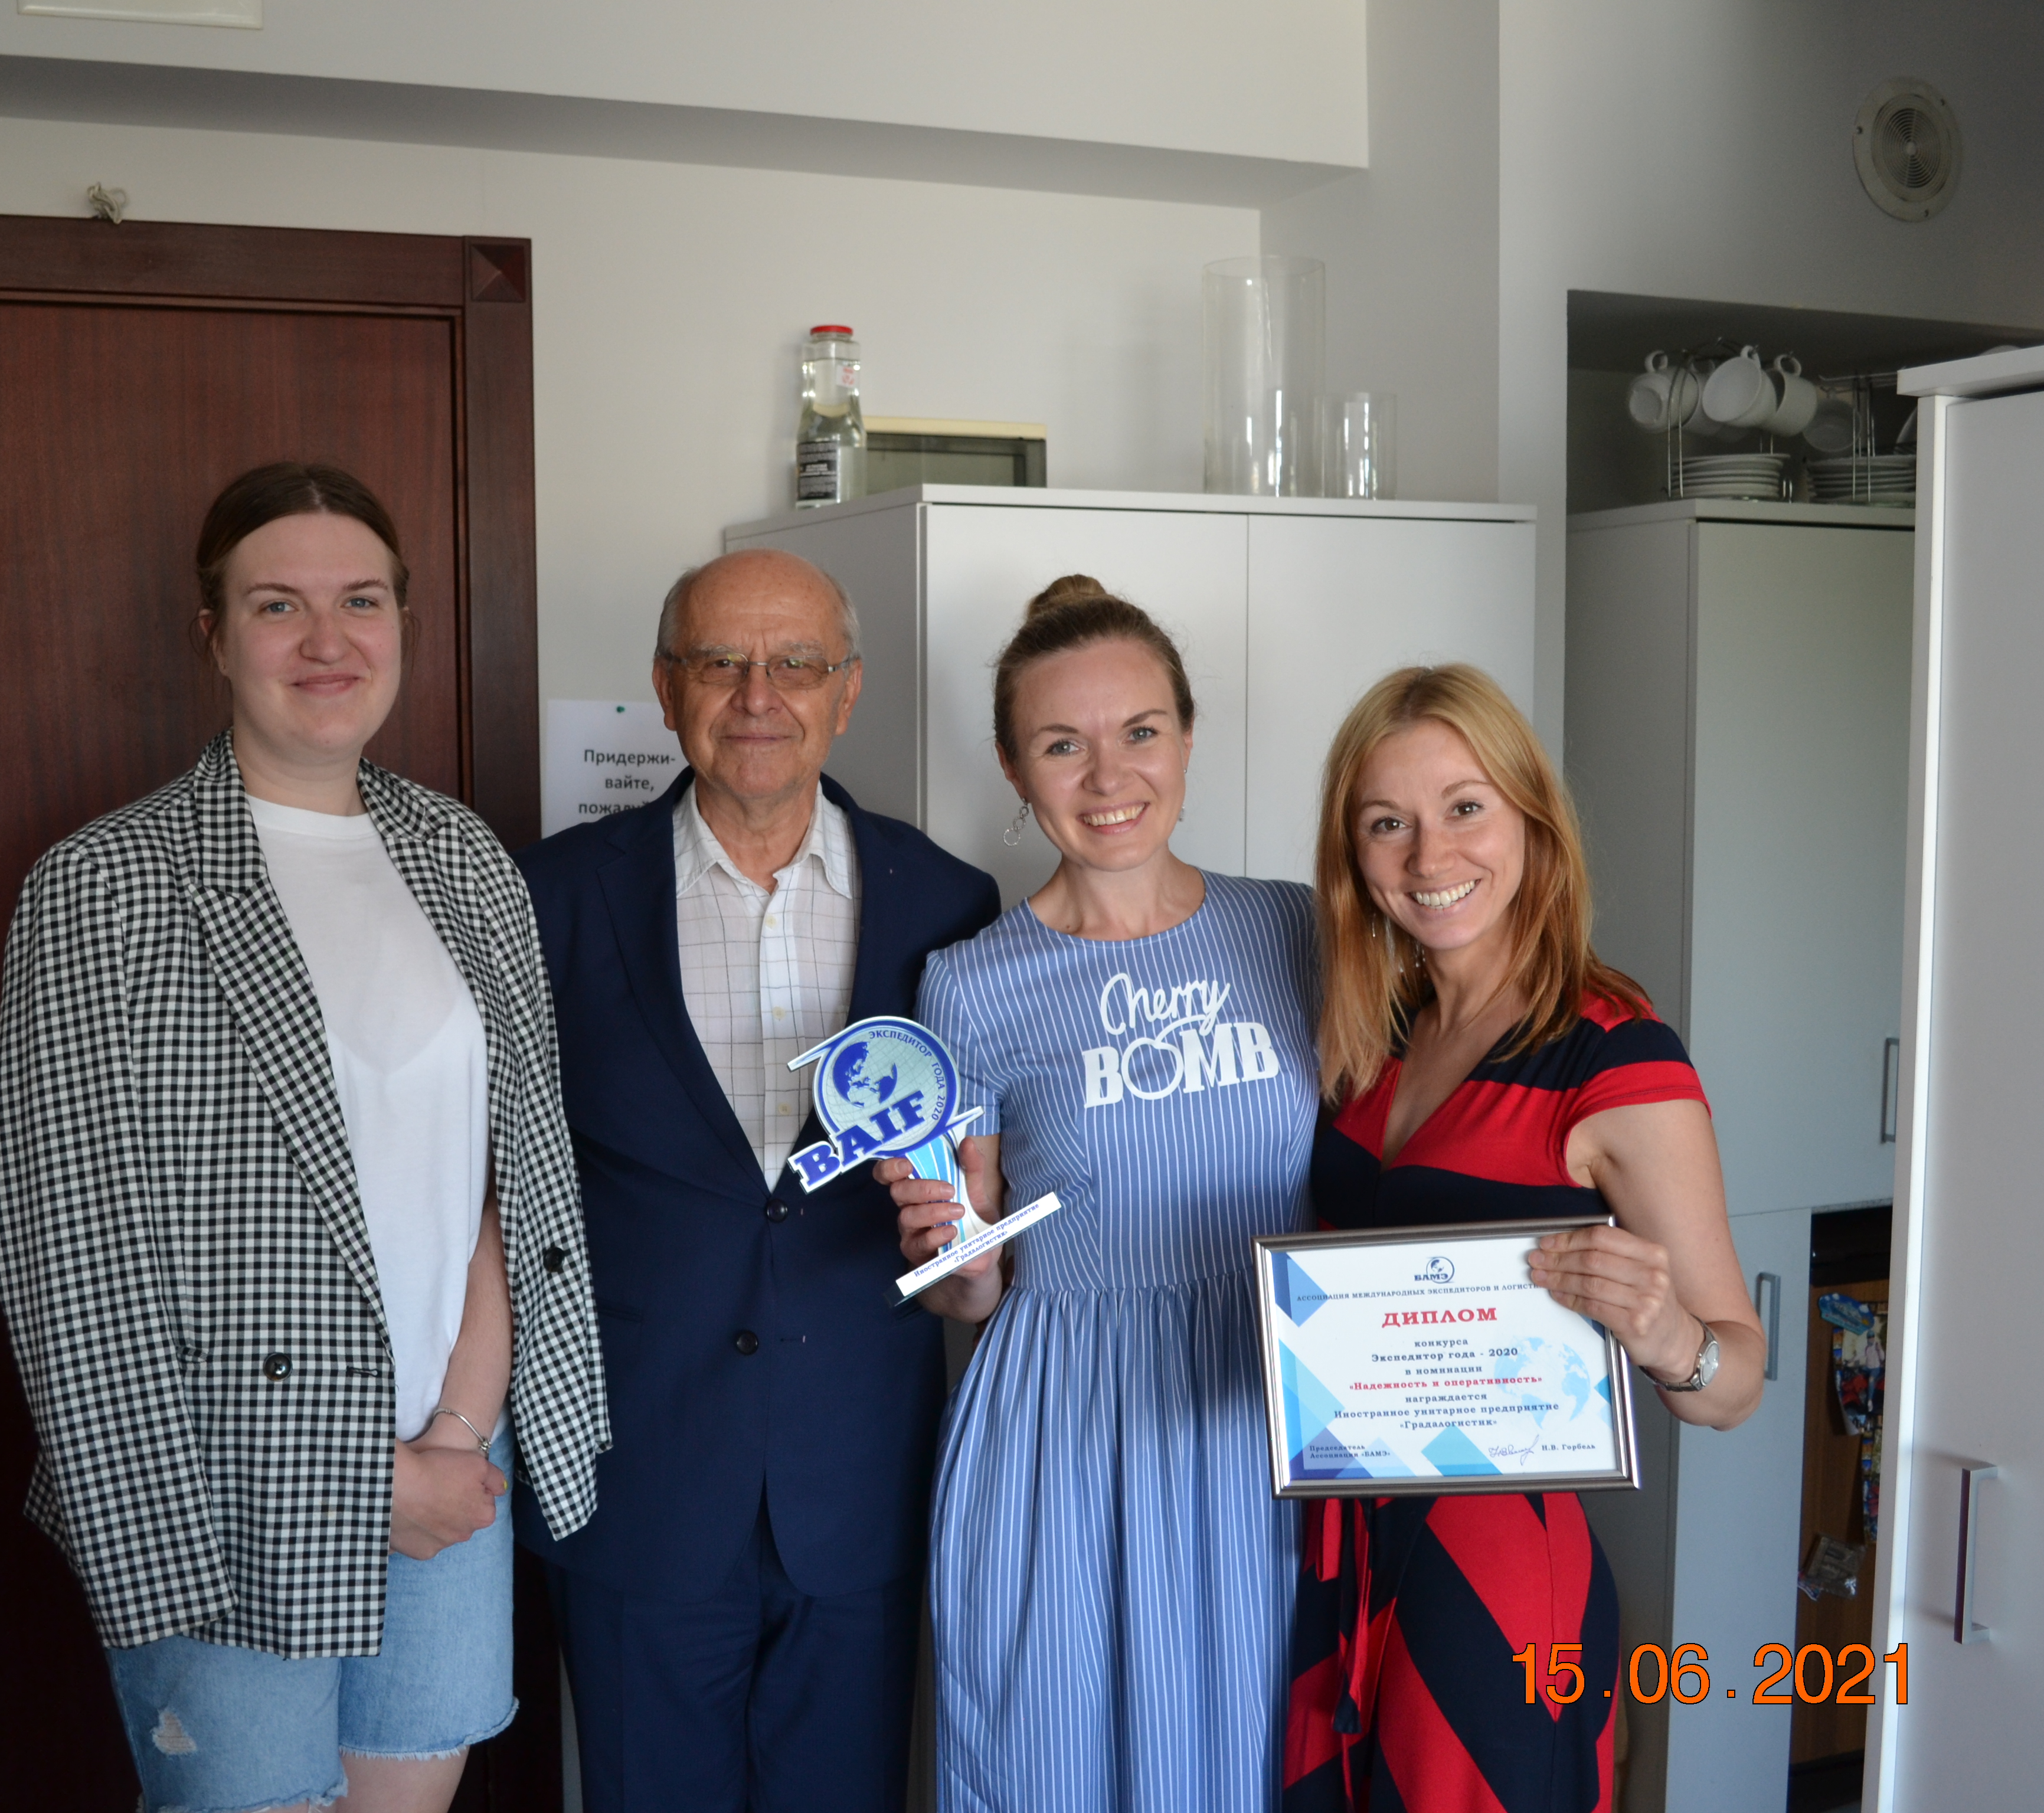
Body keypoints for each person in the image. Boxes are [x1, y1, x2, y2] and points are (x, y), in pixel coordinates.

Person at [0, 462, 607, 1813]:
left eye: (362, 601)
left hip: (458, 1454)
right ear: (215, 636)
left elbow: (510, 1178)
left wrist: (455, 1434)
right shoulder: (103, 887)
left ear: (402, 624)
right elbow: (70, 1262)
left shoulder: (465, 860)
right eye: (279, 605)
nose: (329, 641)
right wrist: (358, 1480)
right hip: (222, 1483)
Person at [515, 547, 999, 1812]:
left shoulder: (949, 904)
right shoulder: (552, 895)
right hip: (636, 1480)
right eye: (721, 661)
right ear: (666, 685)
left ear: (848, 691)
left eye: (796, 663)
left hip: (860, 1484)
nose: (758, 695)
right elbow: (500, 1185)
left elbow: (976, 1173)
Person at [1281, 663, 1762, 1813]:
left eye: (1465, 808)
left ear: (1533, 824)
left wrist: (1666, 1335)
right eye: (1387, 824)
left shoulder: (1614, 1051)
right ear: (1353, 854)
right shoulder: (1371, 1039)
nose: (1429, 857)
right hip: (1340, 1552)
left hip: (1495, 1575)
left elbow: (1735, 1382)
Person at [880, 575, 1318, 1811]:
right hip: (1065, 1426)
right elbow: (972, 1287)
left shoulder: (1296, 930)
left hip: (1263, 1409)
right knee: (1056, 1761)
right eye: (1063, 745)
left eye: (1139, 732)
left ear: (1187, 738)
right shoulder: (970, 983)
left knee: (1251, 1754)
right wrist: (955, 1261)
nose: (1108, 776)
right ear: (1015, 770)